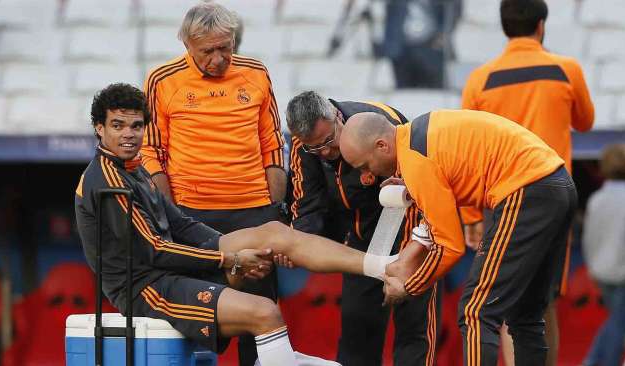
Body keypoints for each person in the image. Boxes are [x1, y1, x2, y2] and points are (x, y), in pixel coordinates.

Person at [75, 83, 402, 366]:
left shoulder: (135, 169)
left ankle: (383, 265)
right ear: (99, 128)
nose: (128, 134)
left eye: (135, 126)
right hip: (145, 287)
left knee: (274, 235)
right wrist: (229, 259)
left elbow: (183, 225)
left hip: (166, 272)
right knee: (264, 313)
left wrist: (234, 246)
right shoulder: (107, 181)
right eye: (118, 126)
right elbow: (154, 249)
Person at [339, 110, 577, 366]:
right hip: (557, 184)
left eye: (365, 165)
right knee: (525, 314)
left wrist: (409, 286)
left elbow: (450, 246)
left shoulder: (416, 160)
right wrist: (416, 189)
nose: (367, 176)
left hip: (526, 189)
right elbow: (458, 171)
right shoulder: (419, 135)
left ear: (382, 146)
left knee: (476, 312)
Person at [139, 3, 286, 364]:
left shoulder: (256, 72)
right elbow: (152, 152)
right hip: (192, 217)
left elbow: (272, 146)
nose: (219, 58)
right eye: (209, 51)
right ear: (188, 44)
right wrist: (169, 217)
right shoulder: (162, 79)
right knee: (197, 311)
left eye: (226, 48)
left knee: (261, 309)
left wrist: (275, 213)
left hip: (252, 212)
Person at [460, 1, 594, 363]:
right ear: (541, 25)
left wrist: (471, 215)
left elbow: (467, 148)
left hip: (500, 198)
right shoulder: (566, 70)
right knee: (541, 300)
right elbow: (585, 121)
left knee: (504, 301)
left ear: (505, 28)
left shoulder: (481, 79)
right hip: (553, 194)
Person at [286, 91, 439, 366]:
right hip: (361, 235)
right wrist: (296, 244)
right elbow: (308, 204)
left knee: (413, 327)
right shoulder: (304, 142)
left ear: (337, 117)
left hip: (409, 223)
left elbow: (419, 190)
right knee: (357, 329)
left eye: (328, 142)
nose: (324, 152)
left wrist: (411, 254)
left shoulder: (380, 124)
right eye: (314, 148)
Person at [581, 144, 625, 366]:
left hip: (601, 270)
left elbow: (589, 236)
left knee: (615, 319)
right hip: (622, 271)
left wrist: (592, 267)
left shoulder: (597, 199)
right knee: (619, 322)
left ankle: (591, 361)